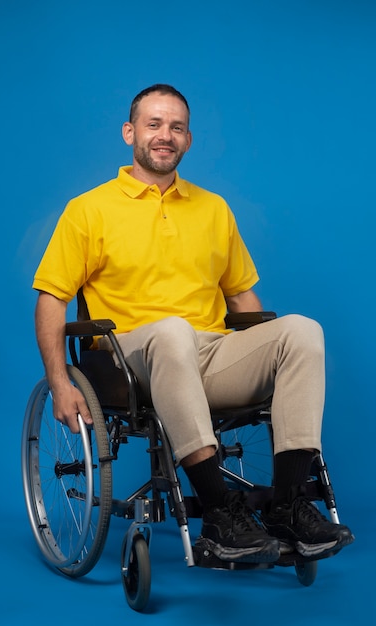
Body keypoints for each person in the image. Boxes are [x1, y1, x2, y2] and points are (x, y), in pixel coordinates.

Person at [33, 83, 353, 564]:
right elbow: (52, 299)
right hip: (130, 359)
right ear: (130, 132)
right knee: (172, 330)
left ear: (188, 139)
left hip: (208, 352)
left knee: (302, 329)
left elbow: (243, 297)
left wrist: (271, 354)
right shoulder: (89, 210)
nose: (165, 135)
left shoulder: (213, 209)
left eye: (176, 127)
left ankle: (287, 505)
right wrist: (59, 383)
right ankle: (221, 514)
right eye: (154, 124)